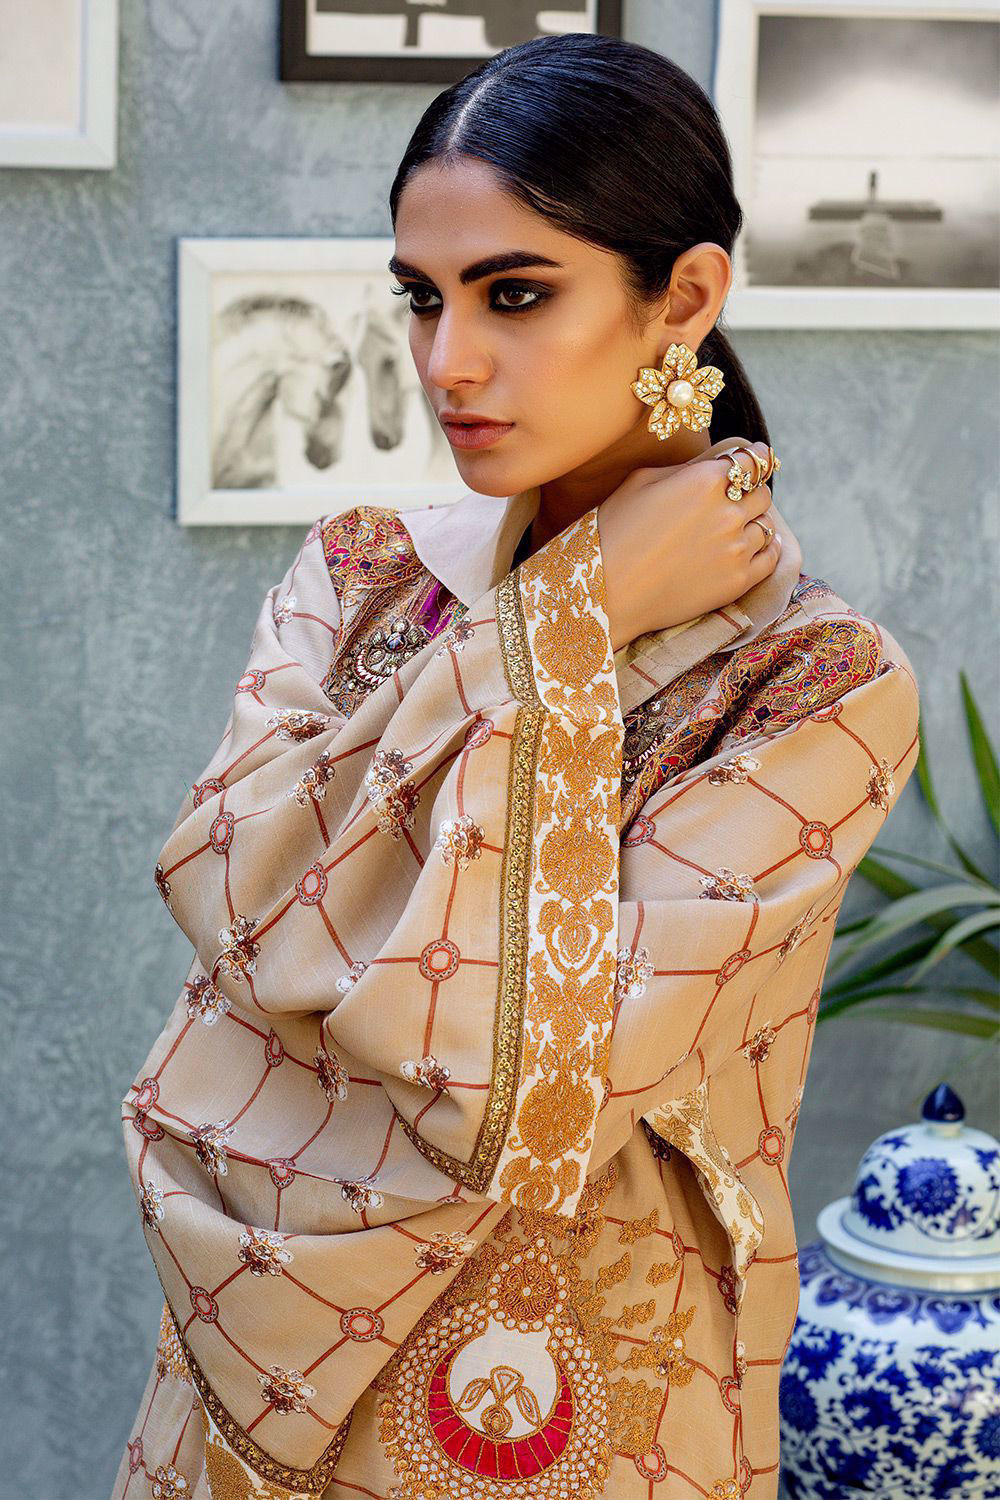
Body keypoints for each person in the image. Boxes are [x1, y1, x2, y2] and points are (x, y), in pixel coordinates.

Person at [111, 32, 920, 1500]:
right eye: (424, 297)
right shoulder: (360, 571)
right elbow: (224, 897)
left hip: (578, 1396)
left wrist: (549, 639)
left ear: (686, 298)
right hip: (240, 1376)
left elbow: (527, 1093)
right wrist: (569, 614)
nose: (448, 362)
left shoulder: (812, 686)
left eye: (517, 294)